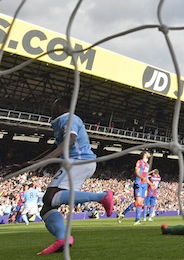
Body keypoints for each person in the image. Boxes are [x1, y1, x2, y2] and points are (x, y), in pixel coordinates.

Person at [15, 96, 114, 254]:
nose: (51, 109)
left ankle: (102, 196)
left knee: (49, 198)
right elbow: (57, 145)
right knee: (47, 208)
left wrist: (43, 162)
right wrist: (31, 163)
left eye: (54, 106)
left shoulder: (68, 118)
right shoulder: (62, 122)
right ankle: (62, 239)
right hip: (80, 163)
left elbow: (70, 140)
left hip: (78, 161)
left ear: (60, 107)